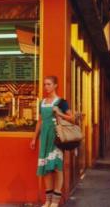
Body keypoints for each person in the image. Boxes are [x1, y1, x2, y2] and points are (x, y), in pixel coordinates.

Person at [30, 76, 74, 207]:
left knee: (56, 167)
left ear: (55, 85)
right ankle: (48, 200)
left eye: (49, 84)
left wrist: (59, 113)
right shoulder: (42, 102)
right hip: (44, 137)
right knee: (46, 170)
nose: (46, 87)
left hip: (56, 137)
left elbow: (72, 119)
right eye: (44, 84)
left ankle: (55, 201)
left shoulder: (61, 102)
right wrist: (34, 138)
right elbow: (40, 121)